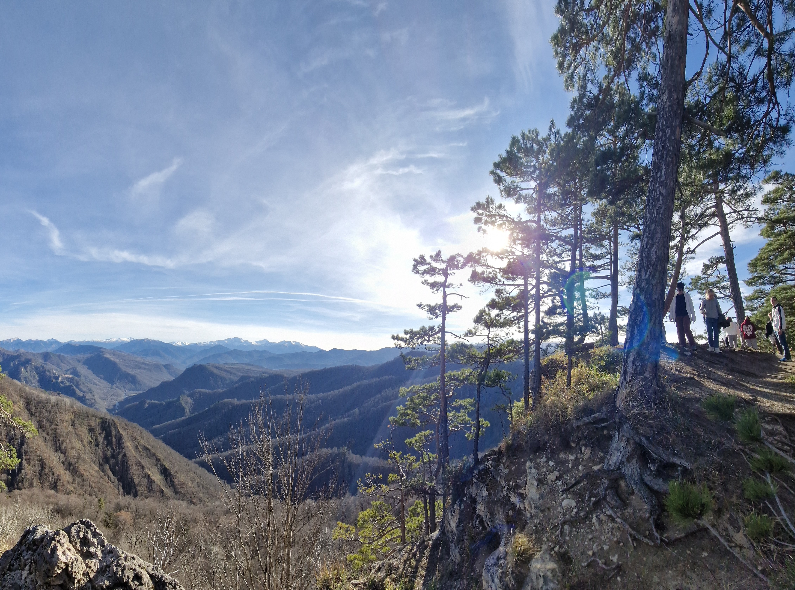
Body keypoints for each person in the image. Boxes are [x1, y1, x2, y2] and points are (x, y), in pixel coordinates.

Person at [668, 282, 697, 355]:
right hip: (678, 315)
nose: (679, 291)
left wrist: (693, 316)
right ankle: (683, 345)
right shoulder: (674, 297)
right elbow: (672, 307)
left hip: (686, 315)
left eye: (680, 289)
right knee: (680, 330)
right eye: (678, 289)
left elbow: (691, 306)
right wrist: (671, 316)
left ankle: (692, 344)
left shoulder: (686, 296)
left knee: (686, 329)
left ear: (683, 289)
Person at [700, 289, 722, 353]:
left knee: (716, 333)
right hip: (708, 318)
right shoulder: (704, 301)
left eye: (712, 295)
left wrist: (721, 316)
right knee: (709, 333)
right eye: (710, 295)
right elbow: (701, 309)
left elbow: (718, 308)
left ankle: (716, 347)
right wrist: (703, 312)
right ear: (707, 295)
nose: (712, 296)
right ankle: (711, 347)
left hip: (715, 318)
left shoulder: (715, 300)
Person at [771, 296, 791, 362]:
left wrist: (780, 328)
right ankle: (787, 356)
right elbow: (774, 319)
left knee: (783, 342)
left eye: (773, 300)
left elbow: (780, 318)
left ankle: (787, 357)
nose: (772, 302)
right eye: (771, 301)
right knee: (780, 342)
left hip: (779, 328)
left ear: (776, 301)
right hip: (775, 328)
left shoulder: (779, 308)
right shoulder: (773, 309)